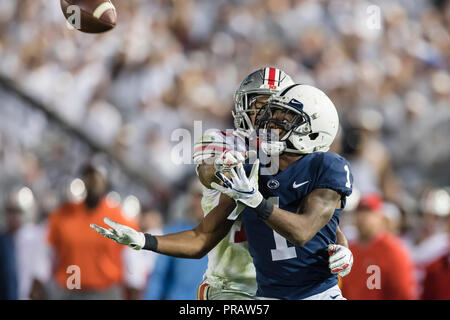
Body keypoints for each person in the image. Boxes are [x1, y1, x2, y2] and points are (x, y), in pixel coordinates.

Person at [92, 81, 354, 300]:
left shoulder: (327, 165)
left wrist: (254, 200)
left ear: (313, 131)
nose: (270, 124)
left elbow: (305, 230)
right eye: (272, 116)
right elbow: (202, 237)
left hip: (317, 295)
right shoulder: (249, 167)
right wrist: (143, 240)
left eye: (285, 119)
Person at [46, 165, 138, 299]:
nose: (93, 181)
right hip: (70, 291)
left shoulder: (118, 217)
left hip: (105, 292)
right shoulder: (64, 215)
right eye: (89, 176)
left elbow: (133, 258)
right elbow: (49, 255)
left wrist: (133, 289)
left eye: (97, 177)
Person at [340, 193, 418, 300]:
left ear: (380, 217)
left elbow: (404, 293)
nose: (363, 217)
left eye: (369, 212)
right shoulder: (349, 250)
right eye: (360, 212)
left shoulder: (394, 250)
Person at [143, 180, 208, 300]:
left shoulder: (225, 240)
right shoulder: (176, 232)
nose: (199, 203)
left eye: (204, 197)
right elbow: (158, 275)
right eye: (196, 197)